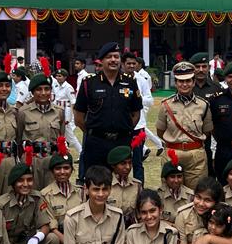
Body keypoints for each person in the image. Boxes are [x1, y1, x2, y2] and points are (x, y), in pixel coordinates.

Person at [74, 42, 142, 173]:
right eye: (109, 57)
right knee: (96, 183)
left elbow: (136, 113)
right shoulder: (89, 83)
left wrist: (124, 129)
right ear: (102, 60)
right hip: (96, 143)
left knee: (121, 183)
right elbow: (78, 116)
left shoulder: (130, 82)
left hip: (121, 141)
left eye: (116, 57)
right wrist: (94, 132)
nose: (113, 60)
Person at [157, 61, 213, 188]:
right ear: (175, 83)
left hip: (196, 155)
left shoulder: (203, 105)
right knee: (170, 193)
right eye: (180, 81)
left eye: (188, 81)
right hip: (173, 153)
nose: (184, 84)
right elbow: (160, 130)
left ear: (193, 82)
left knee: (197, 193)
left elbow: (207, 131)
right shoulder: (166, 105)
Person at [16, 73, 65, 191]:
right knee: (32, 193)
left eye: (47, 89)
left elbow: (61, 137)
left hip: (51, 160)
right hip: (32, 160)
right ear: (32, 92)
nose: (43, 93)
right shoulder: (23, 112)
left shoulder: (59, 112)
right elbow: (18, 139)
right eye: (39, 89)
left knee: (51, 193)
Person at [124, 52, 162, 180]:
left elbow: (150, 100)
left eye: (133, 63)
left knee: (137, 162)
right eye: (128, 63)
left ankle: (139, 188)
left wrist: (136, 99)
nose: (131, 66)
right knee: (120, 162)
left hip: (138, 126)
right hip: (121, 126)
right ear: (123, 64)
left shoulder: (141, 80)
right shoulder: (118, 79)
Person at [107, 143, 142, 223]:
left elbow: (140, 213)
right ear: (113, 165)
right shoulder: (105, 184)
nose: (128, 167)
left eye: (130, 163)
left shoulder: (137, 185)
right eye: (123, 164)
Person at [53, 67, 84, 156]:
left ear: (65, 77)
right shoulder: (55, 85)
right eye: (57, 76)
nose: (58, 77)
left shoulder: (68, 87)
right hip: (57, 111)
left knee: (70, 136)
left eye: (60, 76)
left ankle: (81, 152)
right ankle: (63, 151)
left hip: (66, 112)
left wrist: (71, 117)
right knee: (60, 135)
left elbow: (73, 102)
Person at [157, 150, 193, 224]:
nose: (176, 180)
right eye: (172, 177)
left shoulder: (191, 195)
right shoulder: (158, 195)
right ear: (165, 178)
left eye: (179, 176)